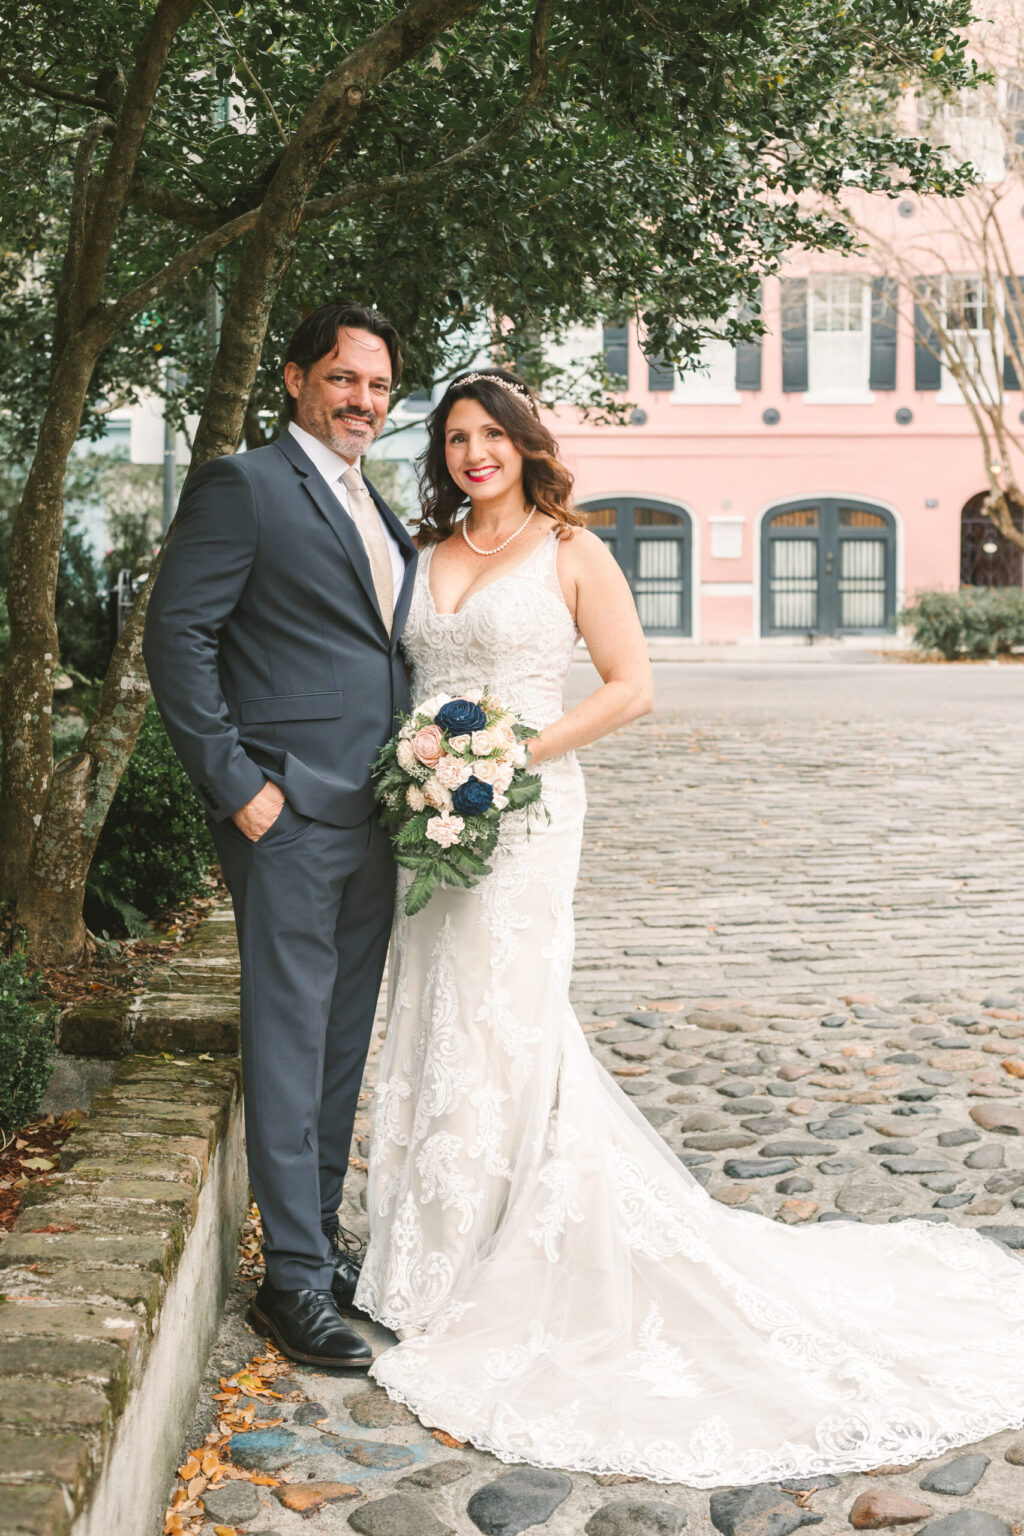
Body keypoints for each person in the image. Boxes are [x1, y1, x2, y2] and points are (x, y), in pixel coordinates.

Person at [356, 367, 1024, 1486]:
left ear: (527, 445)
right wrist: (426, 765)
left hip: (525, 814)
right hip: (429, 818)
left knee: (508, 1012)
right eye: (458, 438)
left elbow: (631, 687)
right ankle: (426, 1251)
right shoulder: (423, 557)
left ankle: (508, 1247)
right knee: (435, 1006)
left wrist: (511, 755)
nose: (475, 453)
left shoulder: (573, 549)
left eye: (493, 437)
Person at [144, 302, 417, 1369]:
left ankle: (319, 1241)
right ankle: (289, 1284)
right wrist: (239, 787)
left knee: (341, 1042)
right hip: (289, 814)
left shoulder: (370, 501)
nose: (363, 401)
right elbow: (180, 634)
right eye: (345, 379)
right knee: (290, 1041)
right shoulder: (246, 485)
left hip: (382, 815)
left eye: (380, 386)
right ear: (297, 379)